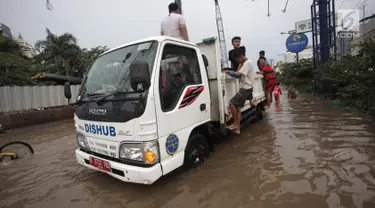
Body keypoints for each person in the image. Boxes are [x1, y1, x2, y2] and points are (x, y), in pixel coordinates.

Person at [224, 47, 255, 134]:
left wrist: (227, 72)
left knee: (232, 103)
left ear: (241, 56)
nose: (237, 61)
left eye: (237, 59)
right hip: (247, 88)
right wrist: (239, 64)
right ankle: (238, 129)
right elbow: (238, 75)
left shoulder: (248, 63)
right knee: (238, 108)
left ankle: (234, 123)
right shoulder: (245, 63)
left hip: (245, 88)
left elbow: (237, 74)